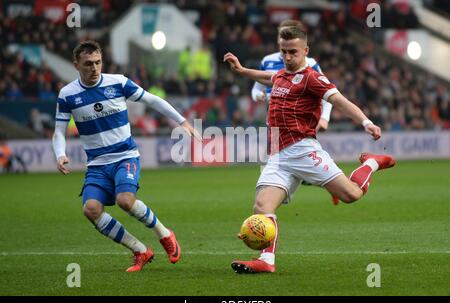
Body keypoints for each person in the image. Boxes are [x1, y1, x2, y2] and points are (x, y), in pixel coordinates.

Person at [224, 24, 395, 273]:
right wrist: (241, 71)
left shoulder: (312, 79)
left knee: (352, 195)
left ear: (306, 50)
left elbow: (340, 101)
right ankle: (266, 261)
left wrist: (366, 122)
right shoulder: (280, 75)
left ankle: (371, 163)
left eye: (293, 51)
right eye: (284, 51)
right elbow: (266, 77)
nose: (288, 57)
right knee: (262, 207)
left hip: (304, 151)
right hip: (278, 155)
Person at [52, 40, 200, 272]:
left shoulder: (118, 82)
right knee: (90, 209)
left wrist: (181, 120)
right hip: (97, 165)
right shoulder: (68, 94)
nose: (94, 68)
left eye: (98, 62)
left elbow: (152, 100)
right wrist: (60, 154)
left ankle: (164, 234)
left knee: (125, 201)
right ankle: (140, 250)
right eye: (88, 64)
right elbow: (59, 132)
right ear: (76, 65)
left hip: (125, 156)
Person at [252, 20, 332, 132]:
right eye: (281, 35)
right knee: (275, 148)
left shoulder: (310, 63)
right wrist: (260, 96)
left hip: (301, 122)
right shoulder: (267, 61)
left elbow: (328, 93)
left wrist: (324, 118)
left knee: (303, 147)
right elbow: (256, 90)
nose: (284, 39)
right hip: (275, 121)